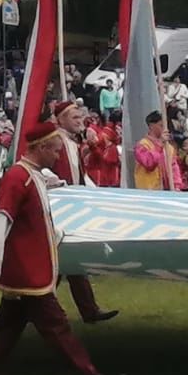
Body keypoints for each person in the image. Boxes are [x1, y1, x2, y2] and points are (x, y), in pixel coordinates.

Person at [0, 122, 119, 375]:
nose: (57, 157)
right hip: (27, 270)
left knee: (6, 329)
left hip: (30, 267)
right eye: (55, 151)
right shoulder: (19, 177)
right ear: (40, 148)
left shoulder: (33, 175)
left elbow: (36, 219)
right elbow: (1, 219)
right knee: (57, 327)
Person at [46, 100, 119, 323]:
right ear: (60, 120)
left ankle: (88, 310)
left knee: (71, 259)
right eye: (74, 118)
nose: (80, 122)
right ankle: (36, 307)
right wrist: (56, 183)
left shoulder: (72, 142)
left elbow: (79, 174)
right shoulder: (54, 140)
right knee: (57, 260)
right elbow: (41, 166)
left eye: (80, 117)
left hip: (72, 205)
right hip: (58, 206)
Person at [133, 111, 183, 190]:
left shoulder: (169, 147)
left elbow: (174, 167)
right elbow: (149, 164)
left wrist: (177, 185)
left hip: (167, 190)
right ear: (151, 126)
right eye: (161, 125)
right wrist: (160, 145)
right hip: (148, 191)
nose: (165, 129)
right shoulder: (142, 145)